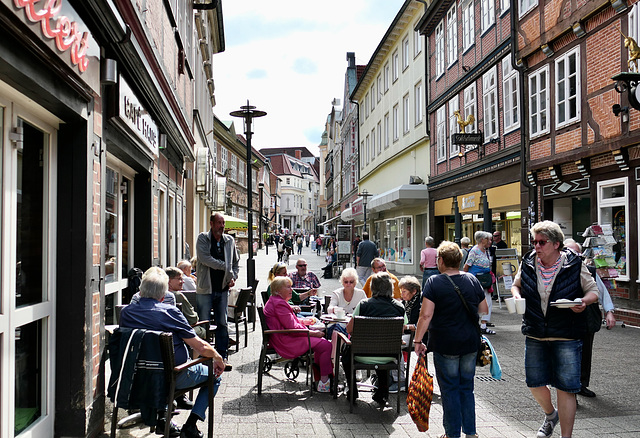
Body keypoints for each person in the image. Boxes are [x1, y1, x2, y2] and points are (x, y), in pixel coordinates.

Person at [511, 221, 599, 438]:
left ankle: (565, 436)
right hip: (535, 332)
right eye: (534, 242)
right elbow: (516, 284)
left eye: (542, 242)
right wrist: (516, 295)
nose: (536, 246)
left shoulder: (575, 264)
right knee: (534, 382)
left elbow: (593, 292)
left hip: (567, 333)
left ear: (556, 244)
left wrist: (583, 302)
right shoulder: (528, 262)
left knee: (567, 387)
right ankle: (551, 415)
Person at [120, 267, 226, 438]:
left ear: (140, 291)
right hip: (172, 376)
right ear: (163, 296)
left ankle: (163, 418)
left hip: (137, 376)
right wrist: (218, 357)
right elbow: (200, 346)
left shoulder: (126, 313)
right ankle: (190, 425)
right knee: (215, 376)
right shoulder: (169, 311)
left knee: (157, 363)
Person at [414, 241, 488, 438]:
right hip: (470, 343)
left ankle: (452, 433)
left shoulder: (434, 282)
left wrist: (417, 341)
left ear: (440, 261)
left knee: (449, 389)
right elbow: (484, 310)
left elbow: (425, 316)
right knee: (466, 388)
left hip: (445, 342)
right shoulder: (472, 280)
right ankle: (471, 433)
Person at [563, 239, 616, 398]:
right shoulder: (559, 271)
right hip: (566, 320)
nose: (572, 255)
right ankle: (569, 391)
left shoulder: (591, 271)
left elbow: (602, 293)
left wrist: (609, 312)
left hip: (587, 319)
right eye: (568, 251)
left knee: (585, 353)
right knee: (568, 355)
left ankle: (582, 385)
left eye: (575, 252)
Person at [343, 272, 406, 405]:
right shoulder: (399, 307)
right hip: (389, 355)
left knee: (346, 349)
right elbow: (400, 331)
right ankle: (382, 392)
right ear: (391, 288)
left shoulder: (364, 304)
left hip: (361, 354)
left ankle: (352, 390)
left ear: (373, 288)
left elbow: (349, 329)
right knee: (382, 345)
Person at [263, 277, 333, 392]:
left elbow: (289, 322)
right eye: (288, 287)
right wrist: (313, 333)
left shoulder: (276, 300)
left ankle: (319, 379)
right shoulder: (279, 304)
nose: (291, 289)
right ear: (277, 291)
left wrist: (304, 322)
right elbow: (292, 327)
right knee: (326, 345)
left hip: (284, 336)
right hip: (287, 341)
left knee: (322, 345)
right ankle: (324, 383)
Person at [196, 212, 240, 360]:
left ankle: (222, 356)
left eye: (223, 223)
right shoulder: (203, 238)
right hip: (205, 289)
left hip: (222, 289)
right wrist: (225, 267)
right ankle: (205, 356)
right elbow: (204, 259)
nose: (222, 226)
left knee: (222, 322)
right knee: (204, 323)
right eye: (219, 223)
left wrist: (232, 276)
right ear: (211, 224)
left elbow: (235, 263)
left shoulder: (229, 241)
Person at [463, 231, 495, 335]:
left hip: (485, 281)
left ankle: (483, 325)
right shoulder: (474, 251)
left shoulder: (487, 251)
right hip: (476, 281)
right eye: (488, 239)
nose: (490, 241)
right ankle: (475, 324)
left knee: (488, 302)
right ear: (482, 240)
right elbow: (466, 266)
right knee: (476, 302)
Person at [395, 275, 422, 393]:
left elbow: (423, 325)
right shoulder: (408, 302)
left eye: (404, 291)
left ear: (414, 291)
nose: (402, 294)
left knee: (394, 344)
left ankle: (399, 380)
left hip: (418, 336)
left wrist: (406, 326)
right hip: (407, 333)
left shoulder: (420, 302)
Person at [166, 267, 206, 341]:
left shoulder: (158, 294)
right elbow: (193, 319)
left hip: (166, 330)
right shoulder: (177, 296)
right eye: (179, 279)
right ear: (169, 281)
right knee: (201, 330)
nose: (183, 282)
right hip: (180, 331)